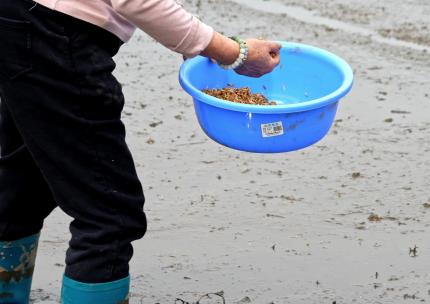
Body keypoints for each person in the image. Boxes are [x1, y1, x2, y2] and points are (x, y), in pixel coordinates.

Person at [0, 0, 281, 303]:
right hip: (54, 35)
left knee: (24, 184)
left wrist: (202, 41)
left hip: (17, 20)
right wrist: (232, 53)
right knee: (109, 216)